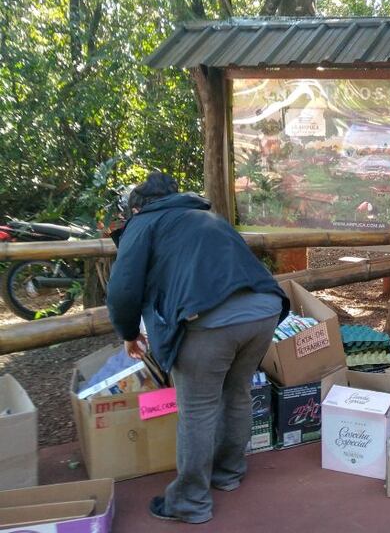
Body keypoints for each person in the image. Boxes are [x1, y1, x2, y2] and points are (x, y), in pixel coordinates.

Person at [106, 172, 288, 524]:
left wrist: (129, 333)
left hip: (211, 321)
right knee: (236, 394)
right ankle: (228, 473)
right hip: (265, 309)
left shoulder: (143, 223)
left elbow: (122, 290)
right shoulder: (206, 216)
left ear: (138, 206)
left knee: (197, 409)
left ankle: (190, 501)